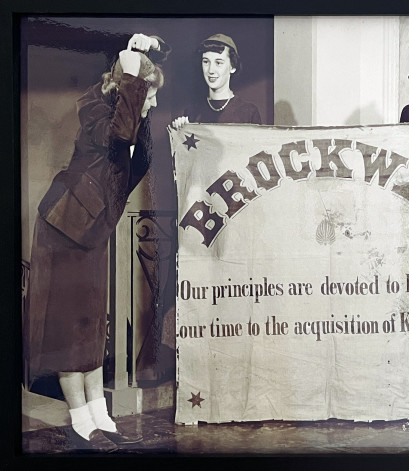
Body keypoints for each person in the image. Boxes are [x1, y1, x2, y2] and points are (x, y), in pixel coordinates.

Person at [25, 33, 168, 452]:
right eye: (148, 93)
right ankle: (80, 419)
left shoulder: (129, 122)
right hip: (64, 227)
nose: (152, 103)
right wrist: (133, 66)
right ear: (128, 86)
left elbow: (136, 147)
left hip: (92, 229)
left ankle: (98, 412)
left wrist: (144, 57)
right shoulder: (97, 113)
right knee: (70, 326)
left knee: (89, 324)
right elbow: (121, 132)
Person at [171, 33, 261, 128]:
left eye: (218, 63)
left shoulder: (249, 112)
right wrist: (181, 129)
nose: (210, 70)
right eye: (206, 62)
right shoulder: (192, 112)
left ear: (233, 67)